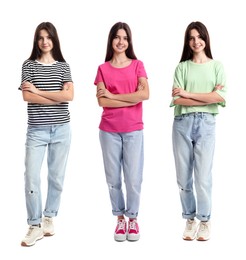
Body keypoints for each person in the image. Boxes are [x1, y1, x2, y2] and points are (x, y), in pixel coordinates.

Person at [170, 21, 227, 241]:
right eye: (191, 38)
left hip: (206, 124)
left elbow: (219, 98)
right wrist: (206, 96)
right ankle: (189, 218)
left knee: (203, 177)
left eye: (199, 37)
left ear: (205, 38)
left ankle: (204, 220)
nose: (196, 41)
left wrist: (188, 94)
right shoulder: (181, 67)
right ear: (187, 41)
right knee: (183, 178)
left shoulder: (216, 66)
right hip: (182, 123)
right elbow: (177, 99)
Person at [19, 22, 74, 247]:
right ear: (36, 41)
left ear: (54, 39)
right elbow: (26, 98)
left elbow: (69, 97)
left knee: (56, 177)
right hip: (36, 130)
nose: (44, 42)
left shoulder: (63, 66)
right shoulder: (28, 65)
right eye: (41, 38)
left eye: (48, 37)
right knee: (31, 176)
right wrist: (57, 95)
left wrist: (39, 91)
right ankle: (34, 224)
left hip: (61, 129)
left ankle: (49, 216)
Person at [94, 22, 149, 242]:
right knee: (113, 178)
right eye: (117, 37)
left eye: (125, 38)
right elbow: (100, 101)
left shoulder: (138, 65)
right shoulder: (102, 69)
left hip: (134, 130)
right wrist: (128, 97)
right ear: (111, 40)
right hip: (109, 131)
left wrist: (112, 96)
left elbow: (144, 95)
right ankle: (119, 219)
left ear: (129, 41)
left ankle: (133, 219)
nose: (121, 41)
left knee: (134, 178)